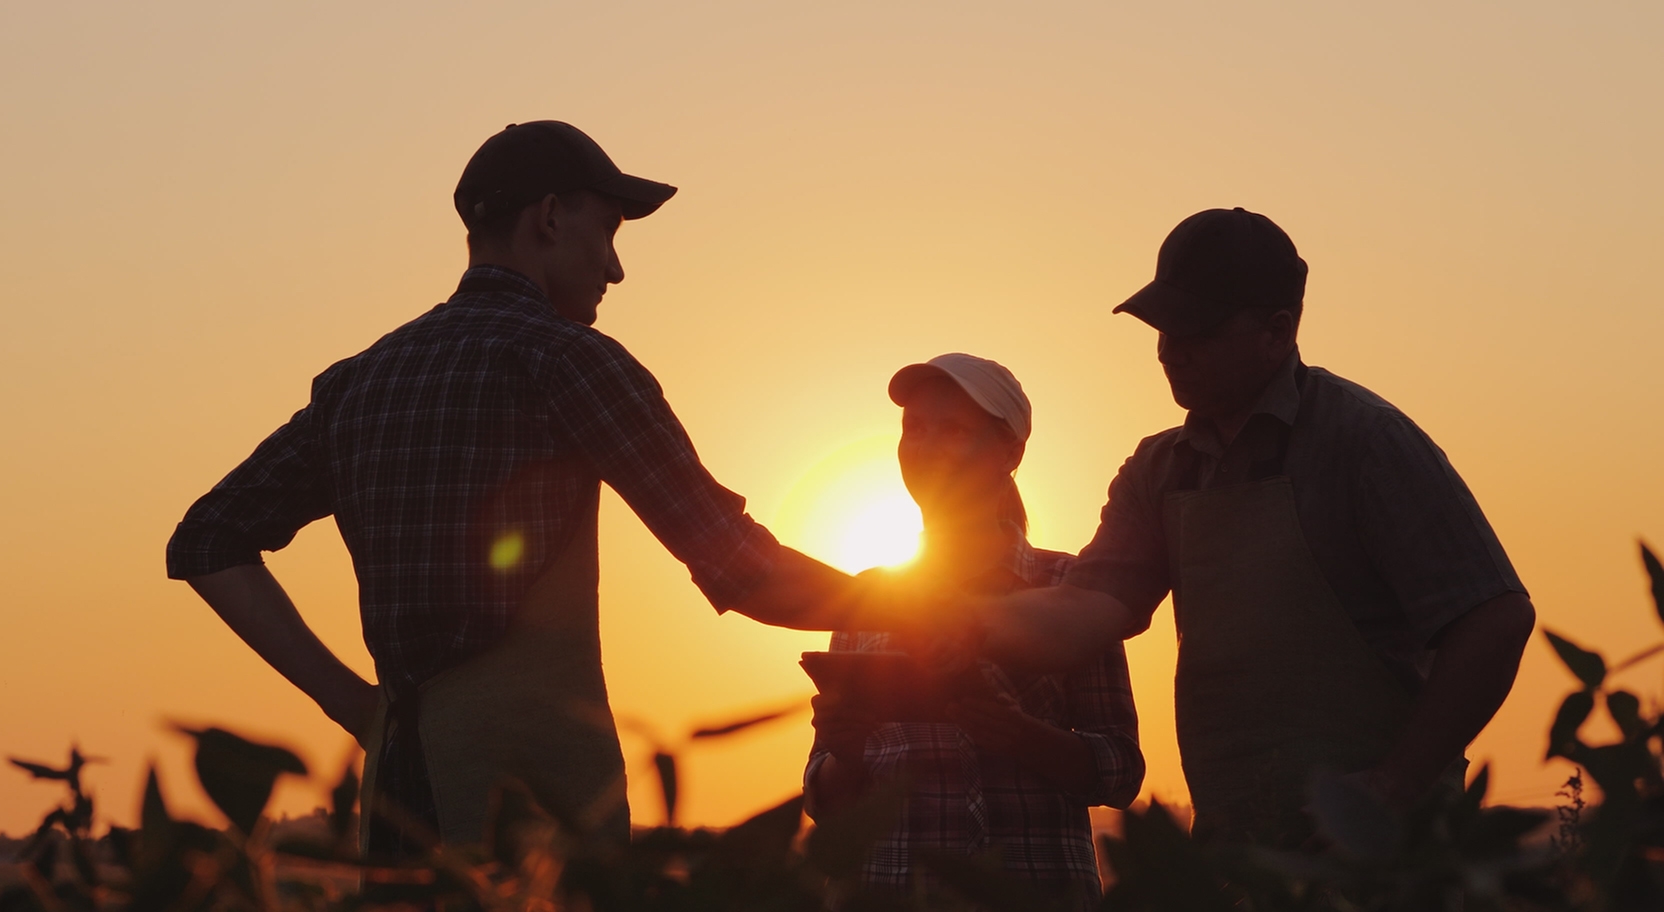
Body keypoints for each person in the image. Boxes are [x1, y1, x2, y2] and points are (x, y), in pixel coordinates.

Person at [164, 121, 890, 858]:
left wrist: (355, 705)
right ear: (548, 218)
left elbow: (207, 540)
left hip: (397, 798)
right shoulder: (568, 362)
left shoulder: (361, 381)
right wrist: (920, 615)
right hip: (537, 820)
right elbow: (744, 569)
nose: (615, 269)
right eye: (606, 231)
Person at [969, 209, 1536, 844]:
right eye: (1161, 325)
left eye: (1196, 328)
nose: (1170, 348)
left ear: (1278, 330)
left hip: (1385, 860)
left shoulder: (1366, 442)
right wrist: (937, 615)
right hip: (1235, 851)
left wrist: (1392, 790)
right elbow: (1085, 612)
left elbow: (1495, 619)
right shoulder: (1159, 471)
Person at [804, 354, 1143, 904]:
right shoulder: (865, 598)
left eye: (954, 429)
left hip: (1037, 891)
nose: (927, 446)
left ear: (1011, 452)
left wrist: (1020, 735)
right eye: (915, 428)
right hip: (891, 892)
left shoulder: (1071, 589)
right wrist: (846, 748)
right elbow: (824, 799)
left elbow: (1121, 770)